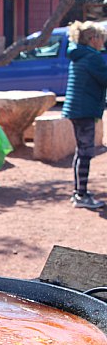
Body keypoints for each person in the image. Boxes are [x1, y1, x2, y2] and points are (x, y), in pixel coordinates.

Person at [62, 21, 107, 209]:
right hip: (84, 109)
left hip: (76, 108)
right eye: (101, 37)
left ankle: (79, 192)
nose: (103, 41)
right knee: (86, 152)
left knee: (81, 152)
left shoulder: (78, 54)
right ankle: (81, 195)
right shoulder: (92, 57)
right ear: (92, 39)